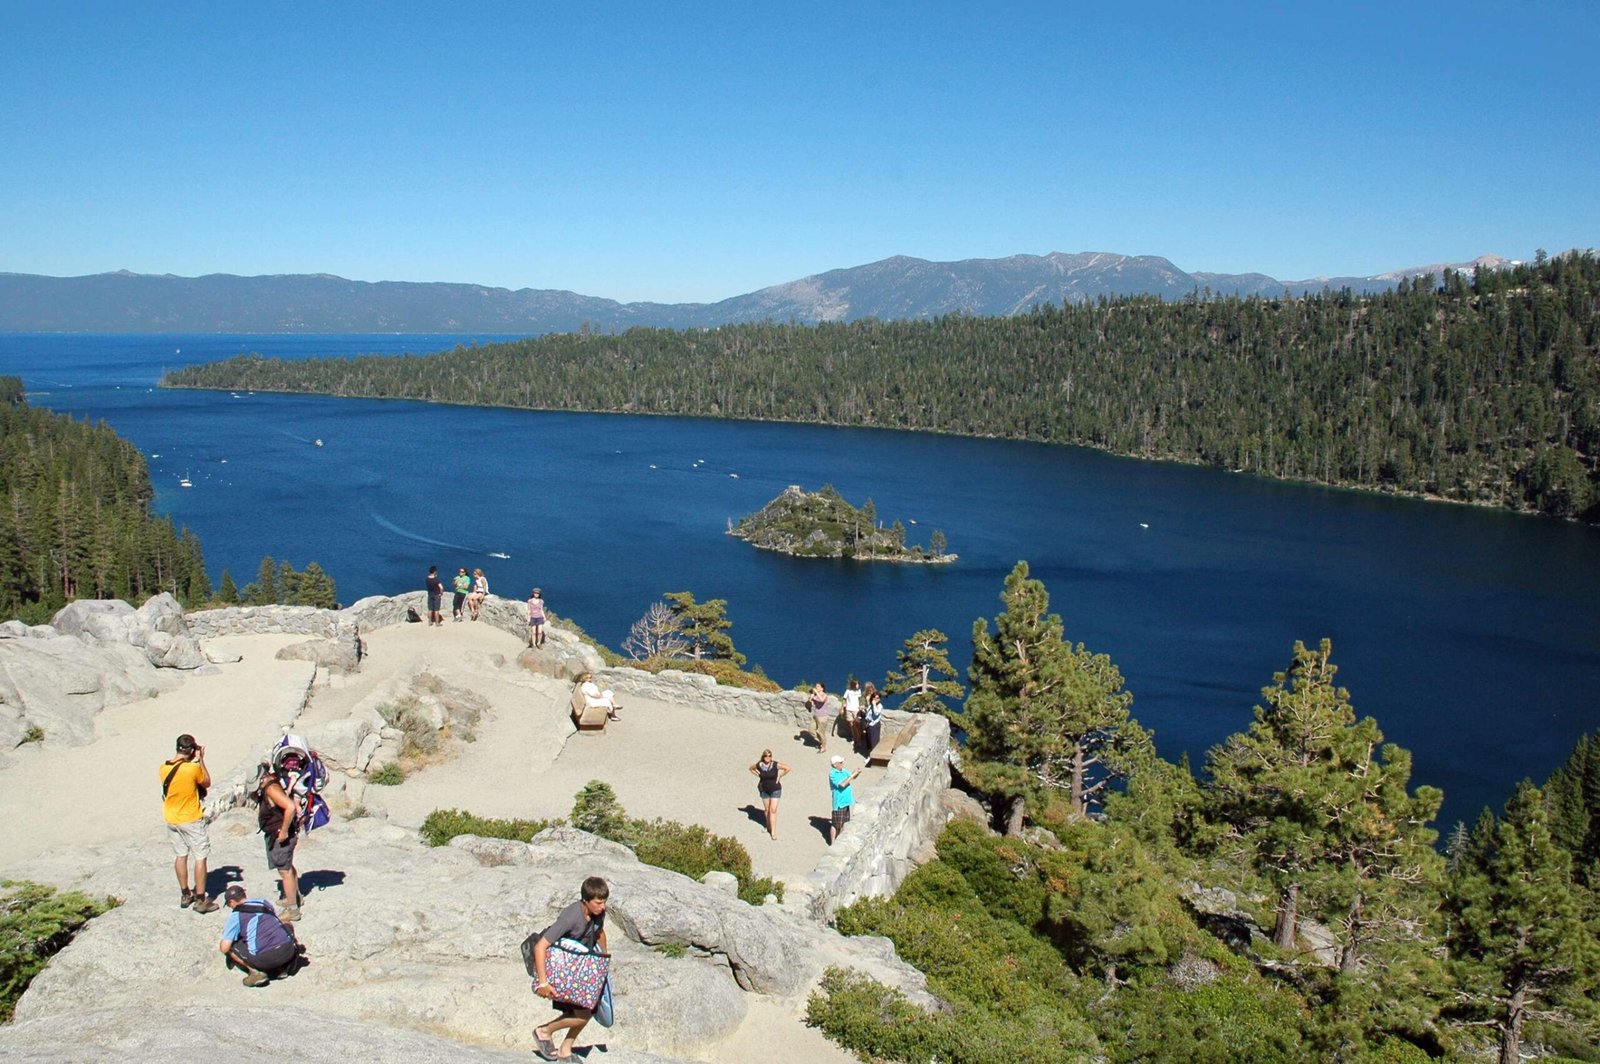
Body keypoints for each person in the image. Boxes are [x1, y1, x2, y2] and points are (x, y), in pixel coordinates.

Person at [532, 876, 611, 1061]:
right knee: (582, 1015)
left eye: (605, 902)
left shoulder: (598, 914)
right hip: (561, 971)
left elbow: (599, 934)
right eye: (598, 902)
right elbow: (540, 946)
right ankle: (544, 1031)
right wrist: (543, 983)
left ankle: (565, 1050)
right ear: (586, 900)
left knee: (589, 1010)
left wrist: (602, 964)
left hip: (581, 970)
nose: (603, 906)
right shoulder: (570, 916)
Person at [160, 733, 218, 913]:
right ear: (192, 750)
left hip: (171, 818)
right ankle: (201, 899)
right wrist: (200, 760)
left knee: (180, 855)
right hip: (190, 818)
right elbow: (206, 782)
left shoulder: (163, 767)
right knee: (200, 857)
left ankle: (185, 893)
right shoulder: (191, 769)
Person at [218, 884, 301, 986]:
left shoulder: (235, 916)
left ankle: (255, 973)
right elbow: (275, 920)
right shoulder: (263, 902)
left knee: (231, 945)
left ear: (231, 902)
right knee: (286, 924)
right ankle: (286, 965)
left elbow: (224, 948)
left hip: (265, 960)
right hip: (288, 951)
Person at [258, 751, 304, 920]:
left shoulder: (271, 789)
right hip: (279, 832)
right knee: (287, 866)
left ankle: (293, 909)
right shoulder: (274, 782)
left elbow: (290, 807)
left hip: (281, 834)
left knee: (284, 871)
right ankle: (294, 896)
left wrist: (283, 831)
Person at [749, 749, 791, 841]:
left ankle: (773, 832)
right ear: (763, 757)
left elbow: (788, 768)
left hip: (775, 789)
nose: (768, 757)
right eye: (766, 756)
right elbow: (751, 768)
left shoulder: (775, 764)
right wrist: (758, 774)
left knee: (773, 810)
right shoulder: (760, 765)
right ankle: (768, 826)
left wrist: (781, 775)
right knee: (767, 810)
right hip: (764, 789)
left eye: (770, 756)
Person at [828, 754, 862, 845]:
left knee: (844, 823)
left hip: (846, 801)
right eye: (841, 762)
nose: (842, 764)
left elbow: (851, 777)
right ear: (835, 764)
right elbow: (842, 784)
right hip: (839, 802)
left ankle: (840, 840)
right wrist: (852, 775)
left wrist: (856, 773)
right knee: (836, 824)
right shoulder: (833, 774)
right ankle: (833, 842)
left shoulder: (843, 771)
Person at [808, 682, 831, 753]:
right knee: (811, 730)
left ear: (822, 688)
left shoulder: (824, 695)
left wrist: (816, 693)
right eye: (816, 686)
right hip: (816, 716)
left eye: (818, 686)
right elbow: (810, 702)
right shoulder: (815, 695)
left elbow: (822, 700)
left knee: (820, 732)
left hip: (823, 717)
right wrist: (812, 695)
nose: (816, 687)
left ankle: (823, 747)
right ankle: (822, 741)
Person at [843, 679, 863, 752]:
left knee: (857, 725)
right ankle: (855, 738)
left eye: (858, 684)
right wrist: (842, 708)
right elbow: (844, 699)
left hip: (856, 710)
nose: (858, 685)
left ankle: (859, 739)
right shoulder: (848, 691)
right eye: (856, 684)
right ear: (853, 685)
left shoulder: (859, 691)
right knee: (851, 725)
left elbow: (860, 699)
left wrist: (861, 707)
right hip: (849, 709)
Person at [863, 686, 885, 754]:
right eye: (875, 698)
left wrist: (874, 705)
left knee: (874, 742)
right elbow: (868, 713)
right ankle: (870, 755)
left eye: (878, 698)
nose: (876, 699)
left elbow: (876, 713)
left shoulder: (879, 706)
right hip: (869, 724)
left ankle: (874, 756)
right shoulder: (870, 705)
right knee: (869, 741)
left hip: (874, 725)